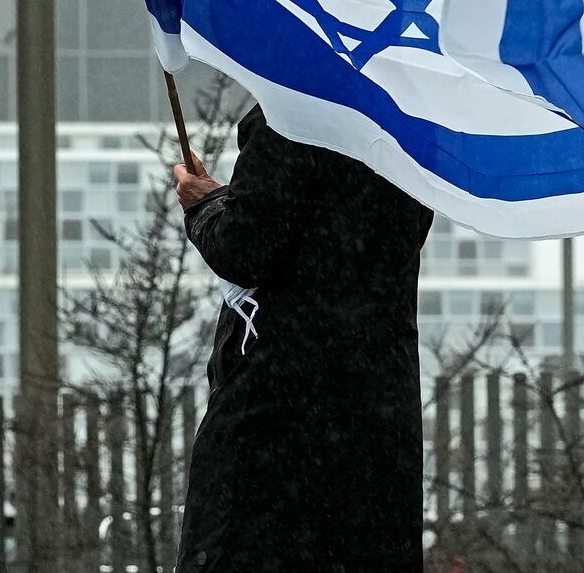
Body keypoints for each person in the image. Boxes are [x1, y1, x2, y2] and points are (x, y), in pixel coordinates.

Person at [173, 104, 433, 573]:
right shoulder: (404, 117)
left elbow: (245, 248)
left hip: (281, 412)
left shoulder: (293, 111)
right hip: (377, 411)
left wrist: (204, 204)